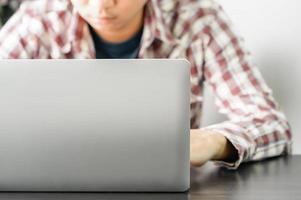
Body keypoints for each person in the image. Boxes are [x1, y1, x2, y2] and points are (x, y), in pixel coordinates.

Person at [0, 0, 292, 169]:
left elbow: (273, 125)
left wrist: (210, 141)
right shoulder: (39, 19)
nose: (102, 5)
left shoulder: (198, 18)